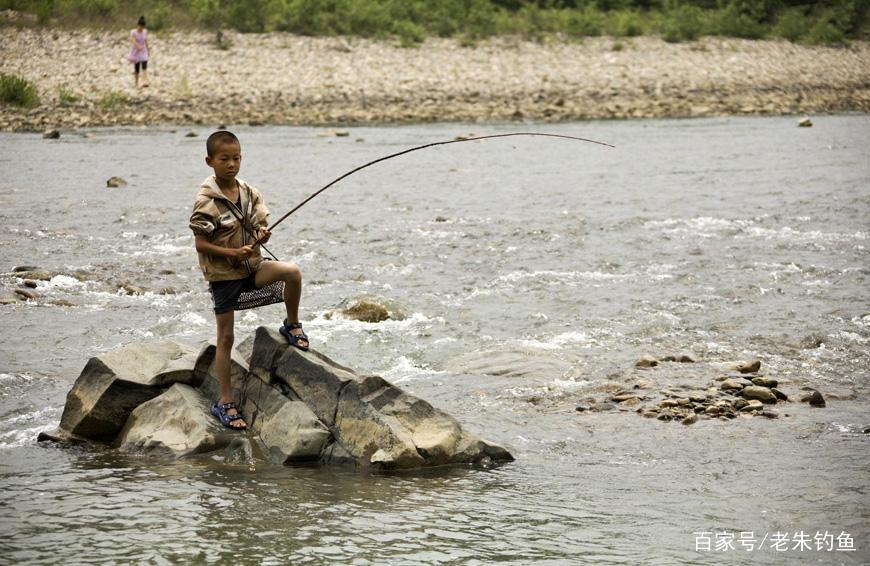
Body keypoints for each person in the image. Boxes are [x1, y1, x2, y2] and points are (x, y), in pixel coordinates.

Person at [189, 131, 310, 430]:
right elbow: (201, 244)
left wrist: (261, 235)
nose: (232, 164)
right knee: (226, 338)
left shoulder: (248, 192)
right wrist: (232, 252)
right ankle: (225, 402)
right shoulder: (206, 202)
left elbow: (259, 224)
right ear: (209, 161)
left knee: (292, 272)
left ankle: (292, 324)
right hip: (224, 278)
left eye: (236, 158)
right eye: (224, 159)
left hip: (252, 268)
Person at [129, 16, 150, 88]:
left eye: (142, 27)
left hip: (143, 51)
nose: (141, 29)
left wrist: (148, 49)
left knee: (144, 65)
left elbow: (146, 41)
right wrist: (138, 46)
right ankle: (136, 82)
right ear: (137, 25)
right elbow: (133, 40)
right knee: (137, 68)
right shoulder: (133, 32)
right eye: (140, 27)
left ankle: (145, 81)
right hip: (136, 52)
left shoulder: (145, 31)